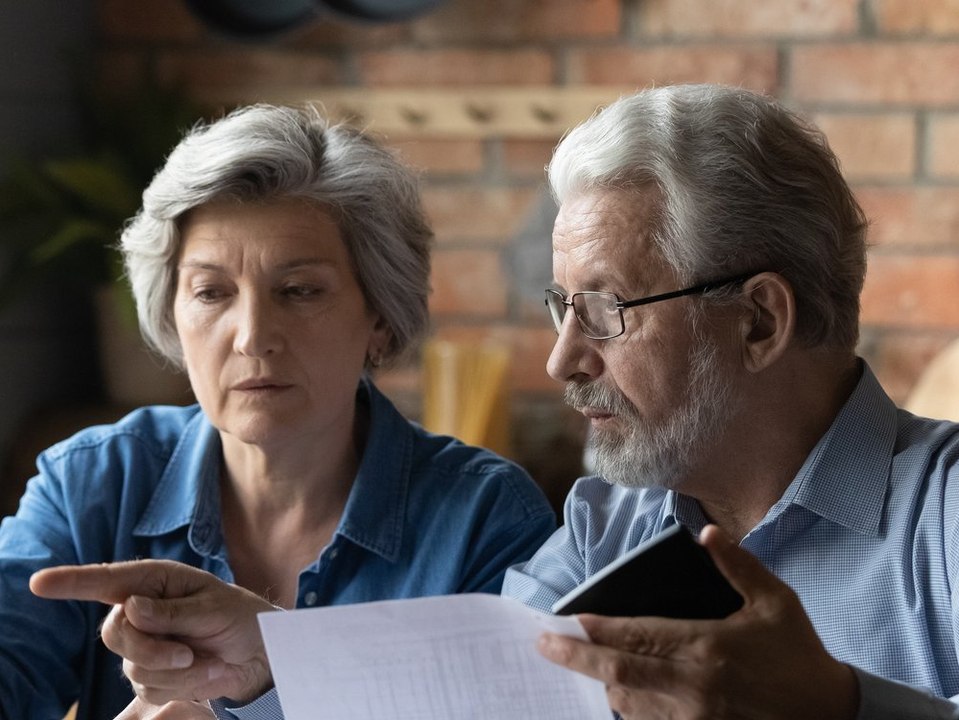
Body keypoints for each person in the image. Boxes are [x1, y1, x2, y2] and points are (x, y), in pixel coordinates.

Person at [31, 82, 959, 719]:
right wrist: (270, 658)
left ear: (757, 322)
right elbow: (470, 696)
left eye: (604, 309)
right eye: (562, 308)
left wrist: (837, 709)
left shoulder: (944, 519)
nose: (562, 358)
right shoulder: (613, 524)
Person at [4, 103, 557, 719]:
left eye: (299, 291)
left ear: (379, 315)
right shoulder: (93, 482)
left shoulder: (485, 521)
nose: (252, 336)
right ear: (171, 315)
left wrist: (279, 681)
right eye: (212, 292)